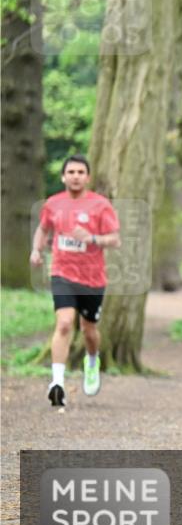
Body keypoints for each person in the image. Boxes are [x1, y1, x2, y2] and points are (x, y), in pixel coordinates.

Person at [30, 155, 121, 406]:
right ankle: (57, 382)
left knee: (89, 330)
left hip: (92, 279)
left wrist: (92, 238)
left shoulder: (100, 205)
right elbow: (43, 229)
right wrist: (36, 250)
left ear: (87, 177)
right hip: (62, 273)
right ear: (63, 176)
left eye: (81, 172)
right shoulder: (53, 204)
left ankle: (92, 360)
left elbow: (115, 239)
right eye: (71, 172)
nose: (76, 176)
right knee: (64, 323)